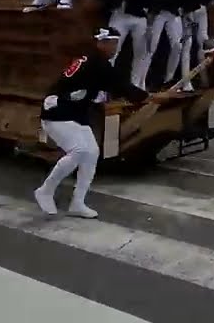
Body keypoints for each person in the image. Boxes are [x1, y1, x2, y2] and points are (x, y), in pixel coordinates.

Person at [35, 28, 149, 218]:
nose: (115, 48)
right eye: (112, 43)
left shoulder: (95, 61)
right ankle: (45, 191)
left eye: (116, 43)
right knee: (79, 150)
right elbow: (120, 85)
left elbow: (116, 84)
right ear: (101, 43)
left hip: (76, 113)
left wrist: (143, 97)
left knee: (92, 153)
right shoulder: (96, 63)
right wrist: (147, 97)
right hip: (57, 112)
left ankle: (77, 203)